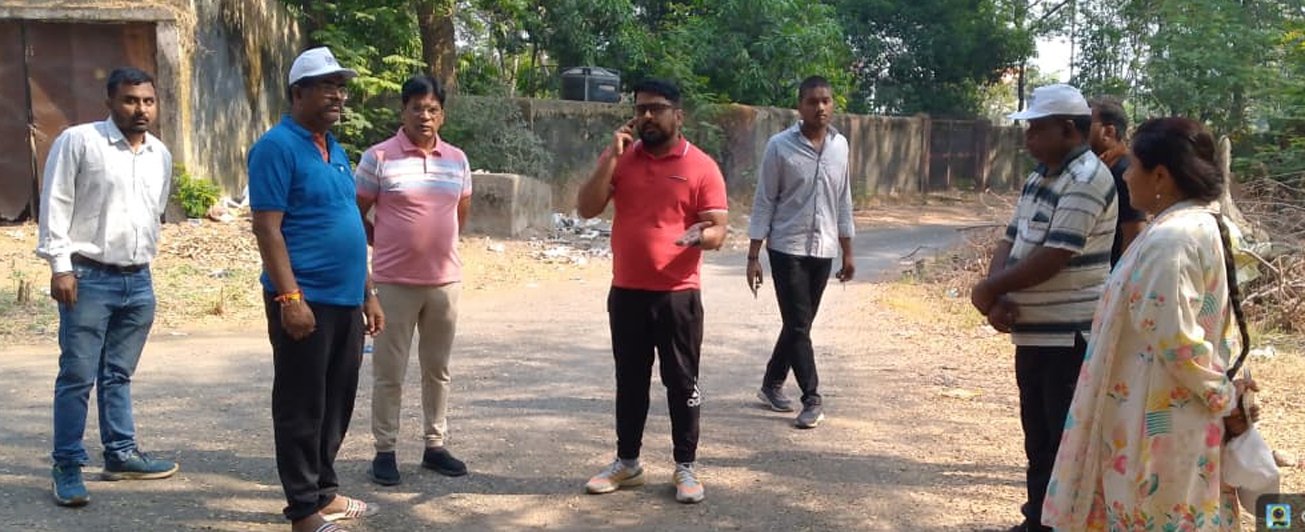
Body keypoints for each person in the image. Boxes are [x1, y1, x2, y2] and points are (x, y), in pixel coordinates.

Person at [1042, 117, 1255, 531]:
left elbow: (1176, 339)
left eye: (1135, 166)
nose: (1126, 176)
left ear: (1161, 176)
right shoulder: (1200, 226)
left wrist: (1223, 397)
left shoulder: (1172, 239)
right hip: (1175, 411)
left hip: (1158, 417)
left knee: (1154, 512)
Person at [970, 84, 1118, 532]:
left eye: (1037, 129)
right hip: (1033, 330)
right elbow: (1011, 238)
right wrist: (995, 296)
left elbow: (1056, 254)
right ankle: (1037, 519)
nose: (1028, 138)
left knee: (1062, 442)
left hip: (1068, 336)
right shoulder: (1040, 177)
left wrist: (988, 290)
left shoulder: (1088, 178)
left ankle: (1059, 524)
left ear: (1068, 130)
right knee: (1037, 438)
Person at [248, 47, 384, 532]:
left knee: (336, 403)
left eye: (341, 87)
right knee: (301, 406)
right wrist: (290, 299)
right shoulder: (276, 147)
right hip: (305, 301)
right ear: (297, 93)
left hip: (345, 301)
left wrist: (368, 293)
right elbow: (267, 228)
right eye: (327, 86)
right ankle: (303, 511)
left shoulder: (334, 148)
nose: (338, 95)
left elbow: (349, 222)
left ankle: (325, 492)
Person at [575, 79, 728, 504]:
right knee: (630, 381)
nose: (646, 116)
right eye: (640, 108)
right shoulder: (621, 158)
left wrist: (701, 237)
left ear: (678, 115)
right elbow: (586, 208)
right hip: (627, 292)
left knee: (681, 382)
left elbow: (719, 229)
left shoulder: (701, 166)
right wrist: (611, 156)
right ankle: (628, 463)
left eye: (656, 108)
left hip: (677, 294)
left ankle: (686, 467)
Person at [36, 67, 179, 508]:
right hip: (88, 277)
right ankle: (67, 466)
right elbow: (55, 203)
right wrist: (60, 268)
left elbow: (154, 212)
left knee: (118, 374)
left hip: (138, 280)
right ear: (110, 102)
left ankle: (120, 454)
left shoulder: (158, 154)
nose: (141, 109)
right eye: (130, 100)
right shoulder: (80, 142)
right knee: (77, 376)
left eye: (148, 101)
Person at [356, 75, 472, 485]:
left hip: (444, 283)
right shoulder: (378, 158)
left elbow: (460, 214)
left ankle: (434, 446)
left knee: (437, 369)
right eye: (417, 108)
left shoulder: (457, 160)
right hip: (393, 283)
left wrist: (435, 245)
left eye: (433, 109)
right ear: (403, 111)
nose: (425, 116)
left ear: (442, 115)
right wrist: (382, 239)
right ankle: (384, 450)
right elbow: (356, 213)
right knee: (389, 371)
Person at [746, 75, 855, 429]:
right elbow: (765, 199)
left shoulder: (840, 146)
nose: (820, 107)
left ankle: (771, 383)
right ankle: (812, 398)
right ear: (800, 106)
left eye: (826, 100)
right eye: (812, 101)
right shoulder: (779, 147)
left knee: (800, 324)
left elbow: (843, 199)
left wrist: (847, 251)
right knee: (797, 323)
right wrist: (753, 255)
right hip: (786, 247)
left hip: (823, 248)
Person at [1088, 97, 1147, 265]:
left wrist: (1119, 277)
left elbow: (1134, 234)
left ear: (1108, 132)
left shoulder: (1125, 172)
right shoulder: (1099, 169)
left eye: (1085, 125)